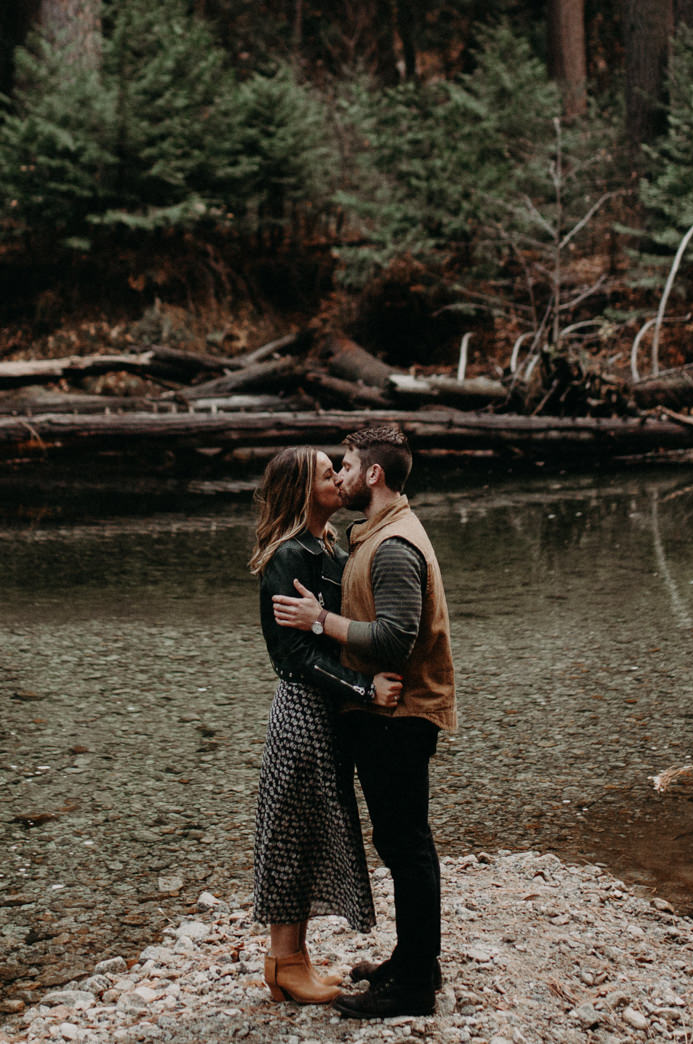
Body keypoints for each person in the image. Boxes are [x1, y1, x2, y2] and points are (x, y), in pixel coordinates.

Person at [273, 422, 456, 1021]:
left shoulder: (395, 545)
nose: (342, 474)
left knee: (406, 846)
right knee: (404, 843)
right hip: (387, 714)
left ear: (373, 474)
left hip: (397, 715)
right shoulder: (377, 533)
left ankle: (412, 988)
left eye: (347, 465)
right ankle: (414, 962)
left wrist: (321, 621)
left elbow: (396, 639)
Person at [248, 445, 404, 1005]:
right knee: (292, 833)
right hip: (302, 713)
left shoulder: (326, 544)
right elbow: (295, 658)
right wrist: (365, 689)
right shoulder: (288, 556)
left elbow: (328, 633)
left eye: (337, 469)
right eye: (326, 474)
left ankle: (295, 960)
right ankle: (284, 963)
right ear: (301, 490)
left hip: (324, 713)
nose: (340, 478)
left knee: (311, 831)